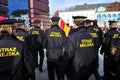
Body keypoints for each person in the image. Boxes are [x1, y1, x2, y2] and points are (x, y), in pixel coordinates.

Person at [65, 16, 96, 80]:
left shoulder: (73, 36)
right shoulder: (90, 35)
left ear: (75, 24)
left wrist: (64, 67)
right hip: (88, 67)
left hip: (77, 69)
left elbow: (69, 55)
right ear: (84, 24)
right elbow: (93, 52)